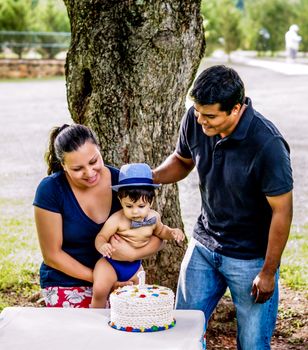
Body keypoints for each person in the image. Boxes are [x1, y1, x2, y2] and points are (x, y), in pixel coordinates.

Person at [153, 65, 293, 349]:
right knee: (181, 335)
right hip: (204, 246)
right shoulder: (196, 119)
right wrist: (151, 177)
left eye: (210, 116)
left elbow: (283, 211)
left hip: (250, 258)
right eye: (197, 112)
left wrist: (268, 271)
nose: (201, 121)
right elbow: (183, 161)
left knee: (252, 344)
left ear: (236, 109)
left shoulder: (267, 144)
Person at [33, 124, 162, 308]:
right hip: (66, 282)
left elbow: (155, 233)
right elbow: (52, 255)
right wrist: (102, 280)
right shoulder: (51, 190)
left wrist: (134, 254)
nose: (90, 173)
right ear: (63, 165)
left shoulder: (122, 184)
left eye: (94, 161)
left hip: (120, 278)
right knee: (85, 334)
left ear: (99, 150)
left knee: (129, 329)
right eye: (78, 169)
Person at [91, 163, 184, 308]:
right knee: (100, 290)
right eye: (129, 206)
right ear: (121, 201)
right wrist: (103, 245)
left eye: (141, 206)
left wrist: (172, 233)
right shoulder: (117, 219)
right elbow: (101, 236)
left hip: (135, 267)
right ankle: (95, 315)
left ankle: (128, 319)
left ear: (151, 202)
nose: (135, 212)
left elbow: (161, 231)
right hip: (110, 264)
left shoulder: (154, 217)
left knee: (136, 295)